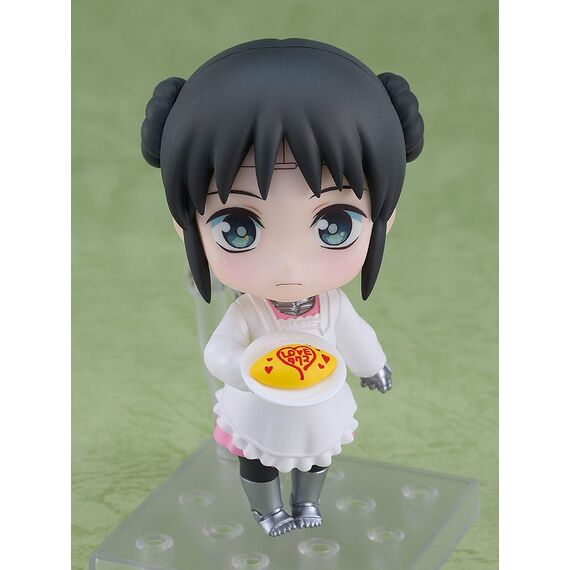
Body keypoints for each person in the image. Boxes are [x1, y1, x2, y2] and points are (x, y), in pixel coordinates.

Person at [141, 38, 424, 537]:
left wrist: (372, 365)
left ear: (386, 218)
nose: (289, 265)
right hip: (261, 406)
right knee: (258, 460)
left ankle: (307, 502)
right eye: (238, 229)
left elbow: (356, 335)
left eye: (335, 225)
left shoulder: (332, 305)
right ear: (187, 228)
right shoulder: (249, 312)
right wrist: (243, 371)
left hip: (319, 404)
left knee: (319, 456)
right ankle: (267, 510)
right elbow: (219, 350)